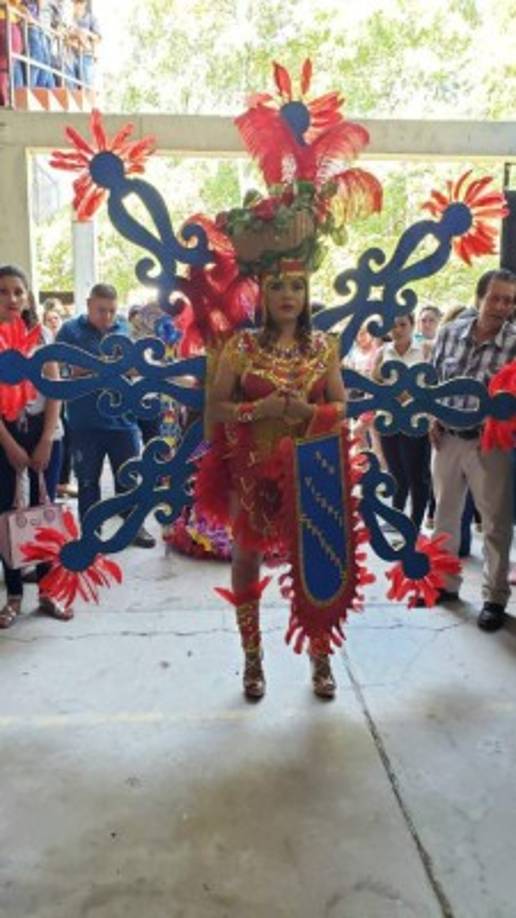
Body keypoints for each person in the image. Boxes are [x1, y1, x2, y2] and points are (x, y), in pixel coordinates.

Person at [197, 262, 347, 699]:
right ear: (263, 294)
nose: (288, 294)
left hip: (309, 469)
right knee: (245, 559)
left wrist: (309, 414)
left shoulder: (323, 346)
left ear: (306, 294)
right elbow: (216, 407)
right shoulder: (241, 347)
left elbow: (342, 407)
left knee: (314, 560)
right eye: (278, 285)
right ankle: (252, 656)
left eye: (297, 286)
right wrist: (255, 412)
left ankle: (320, 655)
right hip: (250, 470)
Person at [430, 268, 516, 631]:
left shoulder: (515, 343)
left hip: (490, 445)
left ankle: (494, 598)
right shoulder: (449, 333)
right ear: (479, 298)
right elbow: (433, 380)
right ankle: (445, 586)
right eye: (495, 298)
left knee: (495, 522)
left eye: (509, 301)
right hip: (446, 438)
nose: (502, 307)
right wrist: (432, 417)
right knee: (445, 517)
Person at [56, 283, 156, 548]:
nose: (107, 317)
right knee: (88, 482)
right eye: (101, 310)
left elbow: (138, 368)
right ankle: (91, 532)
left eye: (112, 311)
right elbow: (55, 371)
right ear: (89, 305)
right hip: (84, 423)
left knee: (130, 479)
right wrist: (75, 370)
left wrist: (133, 368)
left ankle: (135, 528)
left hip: (123, 421)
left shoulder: (125, 328)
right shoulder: (69, 331)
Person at [0, 264, 69, 627]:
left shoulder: (42, 339)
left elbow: (55, 392)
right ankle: (13, 595)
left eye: (18, 291)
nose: (11, 298)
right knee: (6, 514)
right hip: (5, 435)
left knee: (45, 511)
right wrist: (9, 444)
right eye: (3, 292)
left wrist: (44, 440)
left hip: (45, 433)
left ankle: (48, 590)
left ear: (28, 297)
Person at [373, 314, 431, 535]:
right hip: (388, 419)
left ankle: (415, 523)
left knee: (417, 474)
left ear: (412, 325)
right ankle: (396, 517)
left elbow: (433, 384)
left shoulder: (425, 349)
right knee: (396, 472)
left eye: (402, 324)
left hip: (415, 420)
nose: (397, 329)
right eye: (393, 325)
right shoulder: (382, 351)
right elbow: (375, 383)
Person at [67, 0, 100, 87]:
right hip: (71, 54)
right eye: (75, 3)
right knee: (70, 83)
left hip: (86, 56)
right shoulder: (69, 18)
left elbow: (98, 38)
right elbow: (65, 33)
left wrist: (85, 32)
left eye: (80, 2)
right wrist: (75, 34)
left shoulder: (91, 18)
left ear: (84, 3)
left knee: (86, 84)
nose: (77, 5)